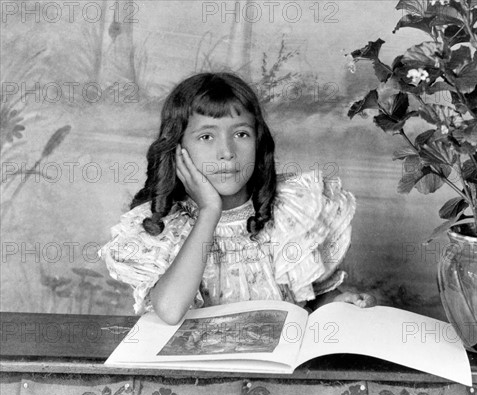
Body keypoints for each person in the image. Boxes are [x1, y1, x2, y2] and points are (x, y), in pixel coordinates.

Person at [99, 72, 376, 325]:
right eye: (206, 136)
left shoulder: (290, 211)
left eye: (241, 134)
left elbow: (311, 297)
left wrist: (337, 303)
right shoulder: (163, 227)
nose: (227, 152)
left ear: (258, 142)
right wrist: (209, 211)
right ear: (178, 149)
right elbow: (170, 311)